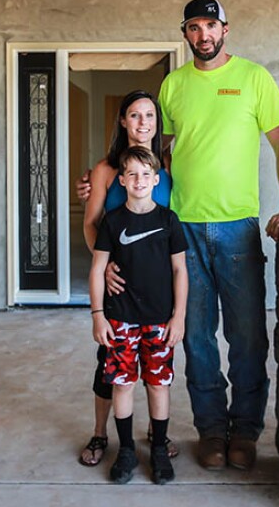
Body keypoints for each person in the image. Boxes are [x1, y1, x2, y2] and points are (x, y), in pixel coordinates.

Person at [78, 0, 279, 472]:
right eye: (194, 27)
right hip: (182, 230)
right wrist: (100, 177)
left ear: (225, 29)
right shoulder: (173, 87)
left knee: (245, 338)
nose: (204, 35)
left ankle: (245, 432)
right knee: (195, 338)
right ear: (185, 34)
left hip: (237, 226)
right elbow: (151, 149)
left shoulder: (254, 79)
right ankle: (212, 432)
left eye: (211, 26)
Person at [78, 90, 180, 467]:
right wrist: (102, 266)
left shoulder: (169, 165)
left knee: (158, 366)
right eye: (135, 116)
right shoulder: (105, 170)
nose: (143, 123)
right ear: (122, 121)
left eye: (150, 116)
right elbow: (91, 224)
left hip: (156, 290)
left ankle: (157, 432)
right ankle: (102, 433)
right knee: (111, 365)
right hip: (118, 289)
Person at [90, 146, 188, 484]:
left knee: (159, 384)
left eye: (146, 174)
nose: (139, 180)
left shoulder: (168, 220)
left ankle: (159, 448)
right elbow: (98, 268)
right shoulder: (113, 221)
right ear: (122, 180)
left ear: (156, 180)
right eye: (131, 174)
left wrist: (179, 317)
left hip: (160, 319)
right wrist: (98, 315)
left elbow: (180, 271)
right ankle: (127, 449)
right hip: (120, 320)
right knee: (122, 385)